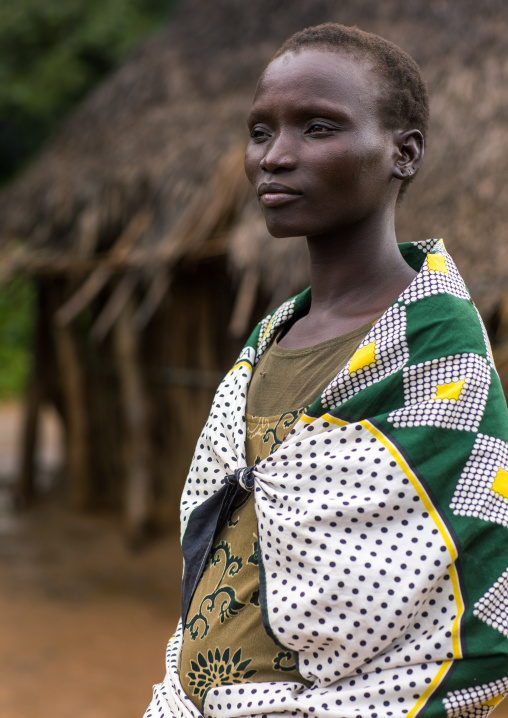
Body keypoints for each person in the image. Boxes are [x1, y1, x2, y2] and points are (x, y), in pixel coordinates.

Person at [145, 23, 508, 718]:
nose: (274, 157)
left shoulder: (433, 352)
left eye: (317, 128)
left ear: (404, 154)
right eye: (260, 132)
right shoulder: (270, 340)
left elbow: (471, 604)